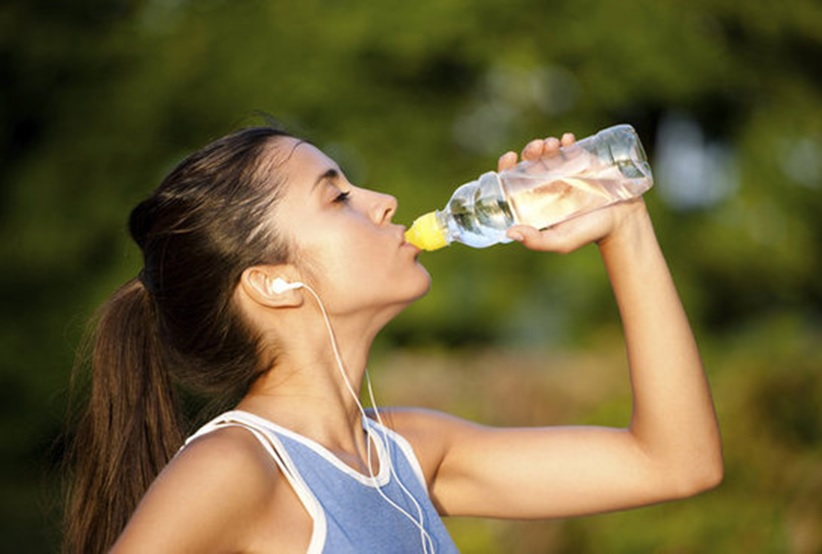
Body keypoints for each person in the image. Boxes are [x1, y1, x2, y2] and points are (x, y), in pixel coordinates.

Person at [62, 124, 723, 553]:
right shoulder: (236, 468)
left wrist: (624, 227)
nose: (381, 200)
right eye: (337, 197)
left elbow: (678, 462)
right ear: (274, 282)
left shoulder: (411, 454)